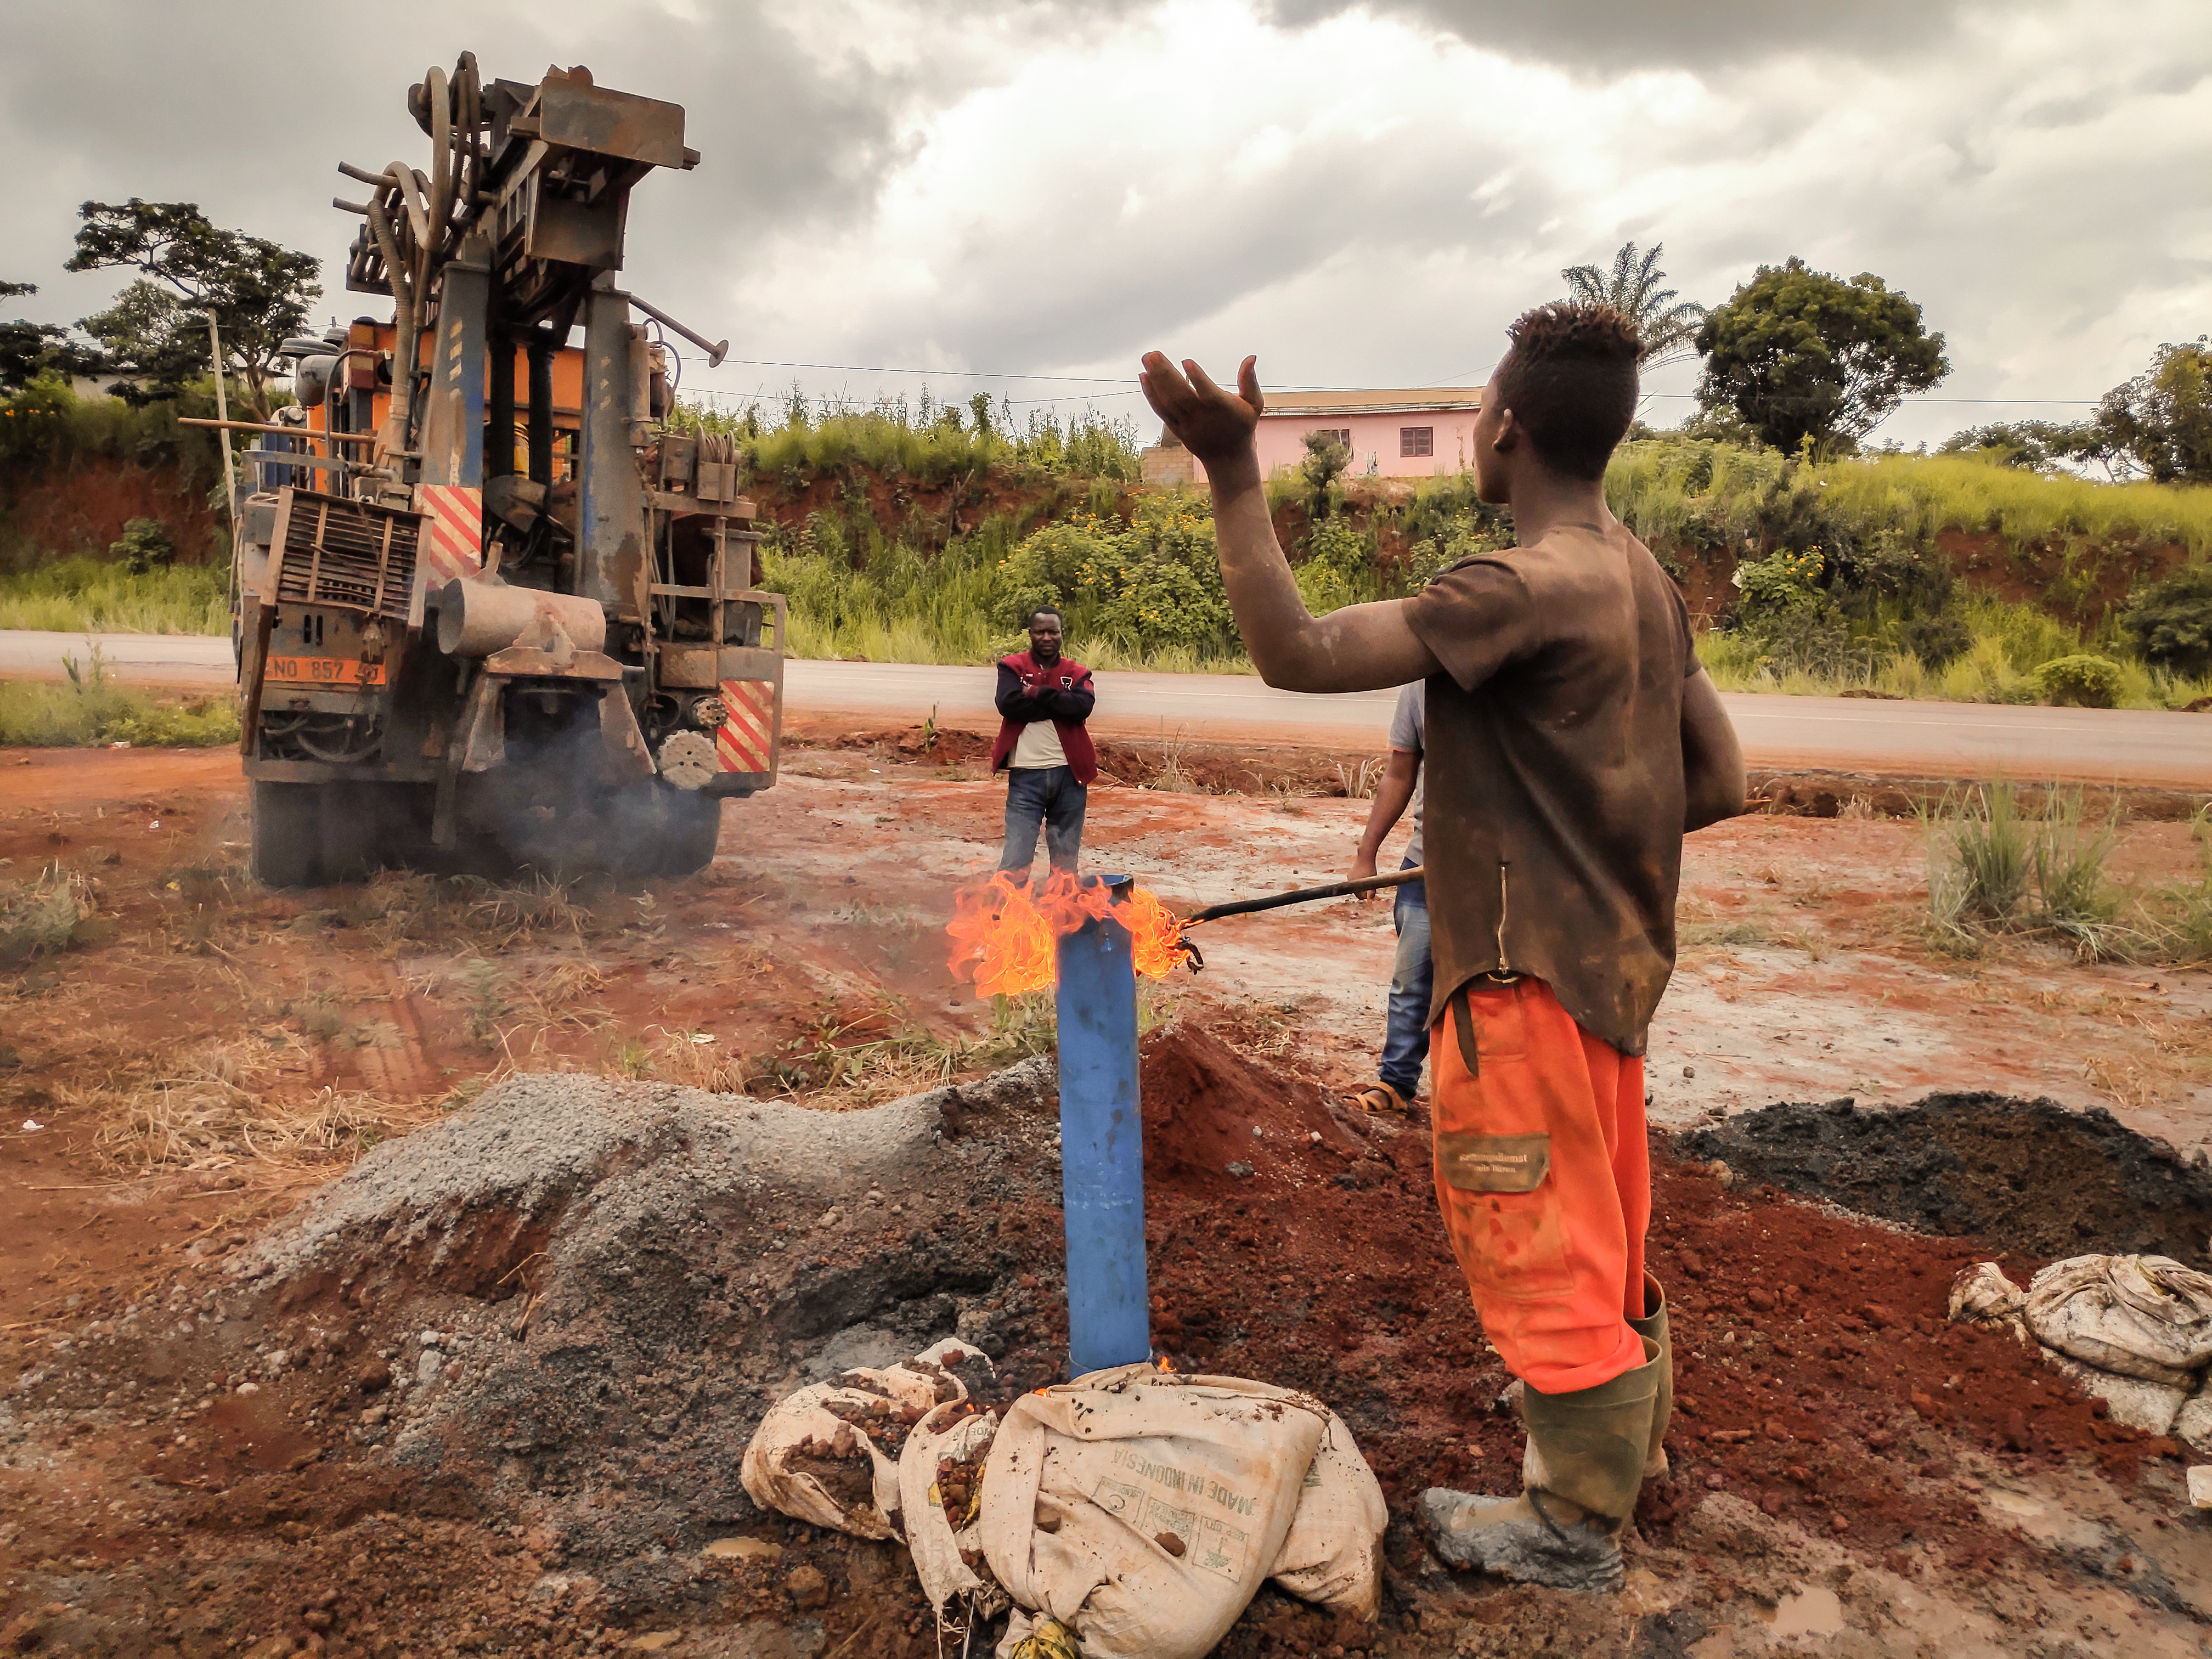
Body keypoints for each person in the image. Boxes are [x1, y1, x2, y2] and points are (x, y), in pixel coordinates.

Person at [1139, 303, 1745, 1594]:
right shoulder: (1646, 582)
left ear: (1506, 431)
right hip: (1618, 975)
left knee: (1533, 1237)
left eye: (1477, 411)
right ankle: (1631, 1467)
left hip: (1519, 983)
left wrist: (1236, 472)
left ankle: (1572, 1527)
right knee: (1606, 1231)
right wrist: (1577, 830)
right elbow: (1721, 776)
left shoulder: (1516, 590)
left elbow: (1295, 653)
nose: (1475, 428)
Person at [1348, 681, 1430, 1117]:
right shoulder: (1420, 686)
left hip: (1505, 873)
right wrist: (1367, 854)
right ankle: (1396, 1084)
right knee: (1411, 984)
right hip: (1427, 864)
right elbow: (1400, 773)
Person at [991, 606, 1098, 878]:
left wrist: (1038, 693)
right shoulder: (1012, 667)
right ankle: (1007, 917)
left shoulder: (1077, 672)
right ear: (1031, 634)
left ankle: (1061, 918)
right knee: (1016, 859)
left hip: (1070, 778)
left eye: (1054, 631)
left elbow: (1083, 707)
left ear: (1062, 634)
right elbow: (1008, 704)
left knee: (1065, 864)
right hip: (1026, 777)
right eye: (1041, 632)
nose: (1047, 637)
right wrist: (1061, 704)